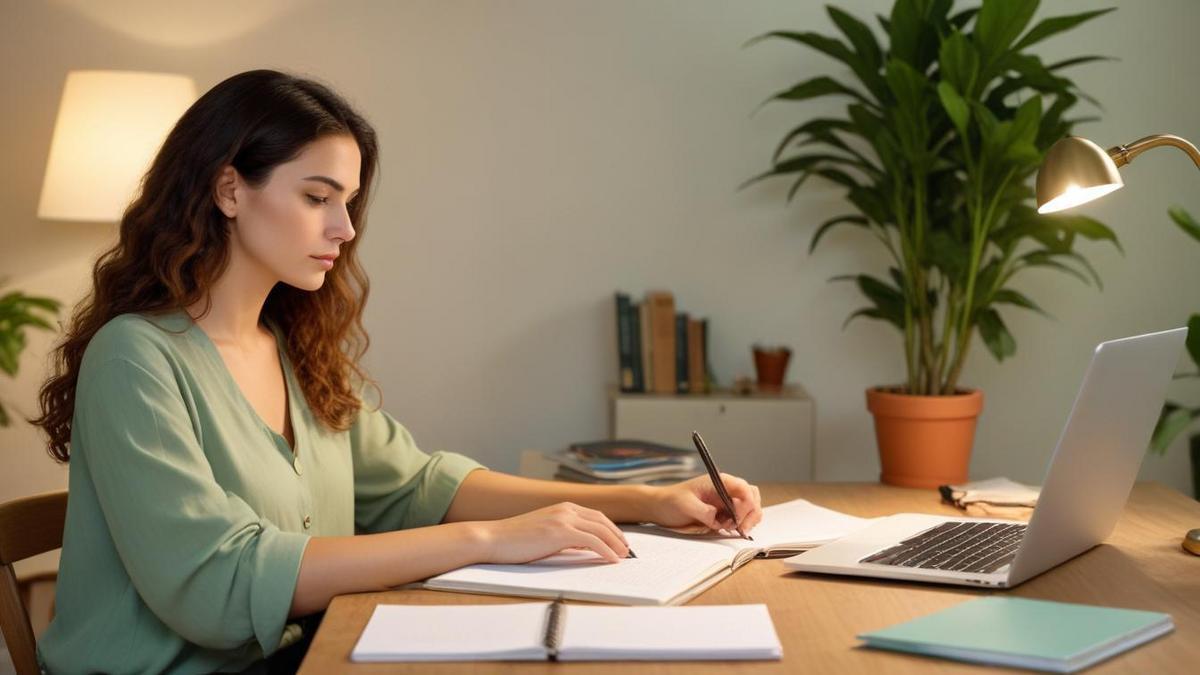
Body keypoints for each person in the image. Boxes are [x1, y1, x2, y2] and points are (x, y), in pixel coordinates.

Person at [29, 69, 764, 674]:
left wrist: (648, 500)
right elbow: (215, 585)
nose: (344, 229)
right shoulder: (135, 359)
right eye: (317, 198)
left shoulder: (287, 349)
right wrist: (488, 541)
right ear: (228, 190)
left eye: (346, 203)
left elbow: (420, 484)